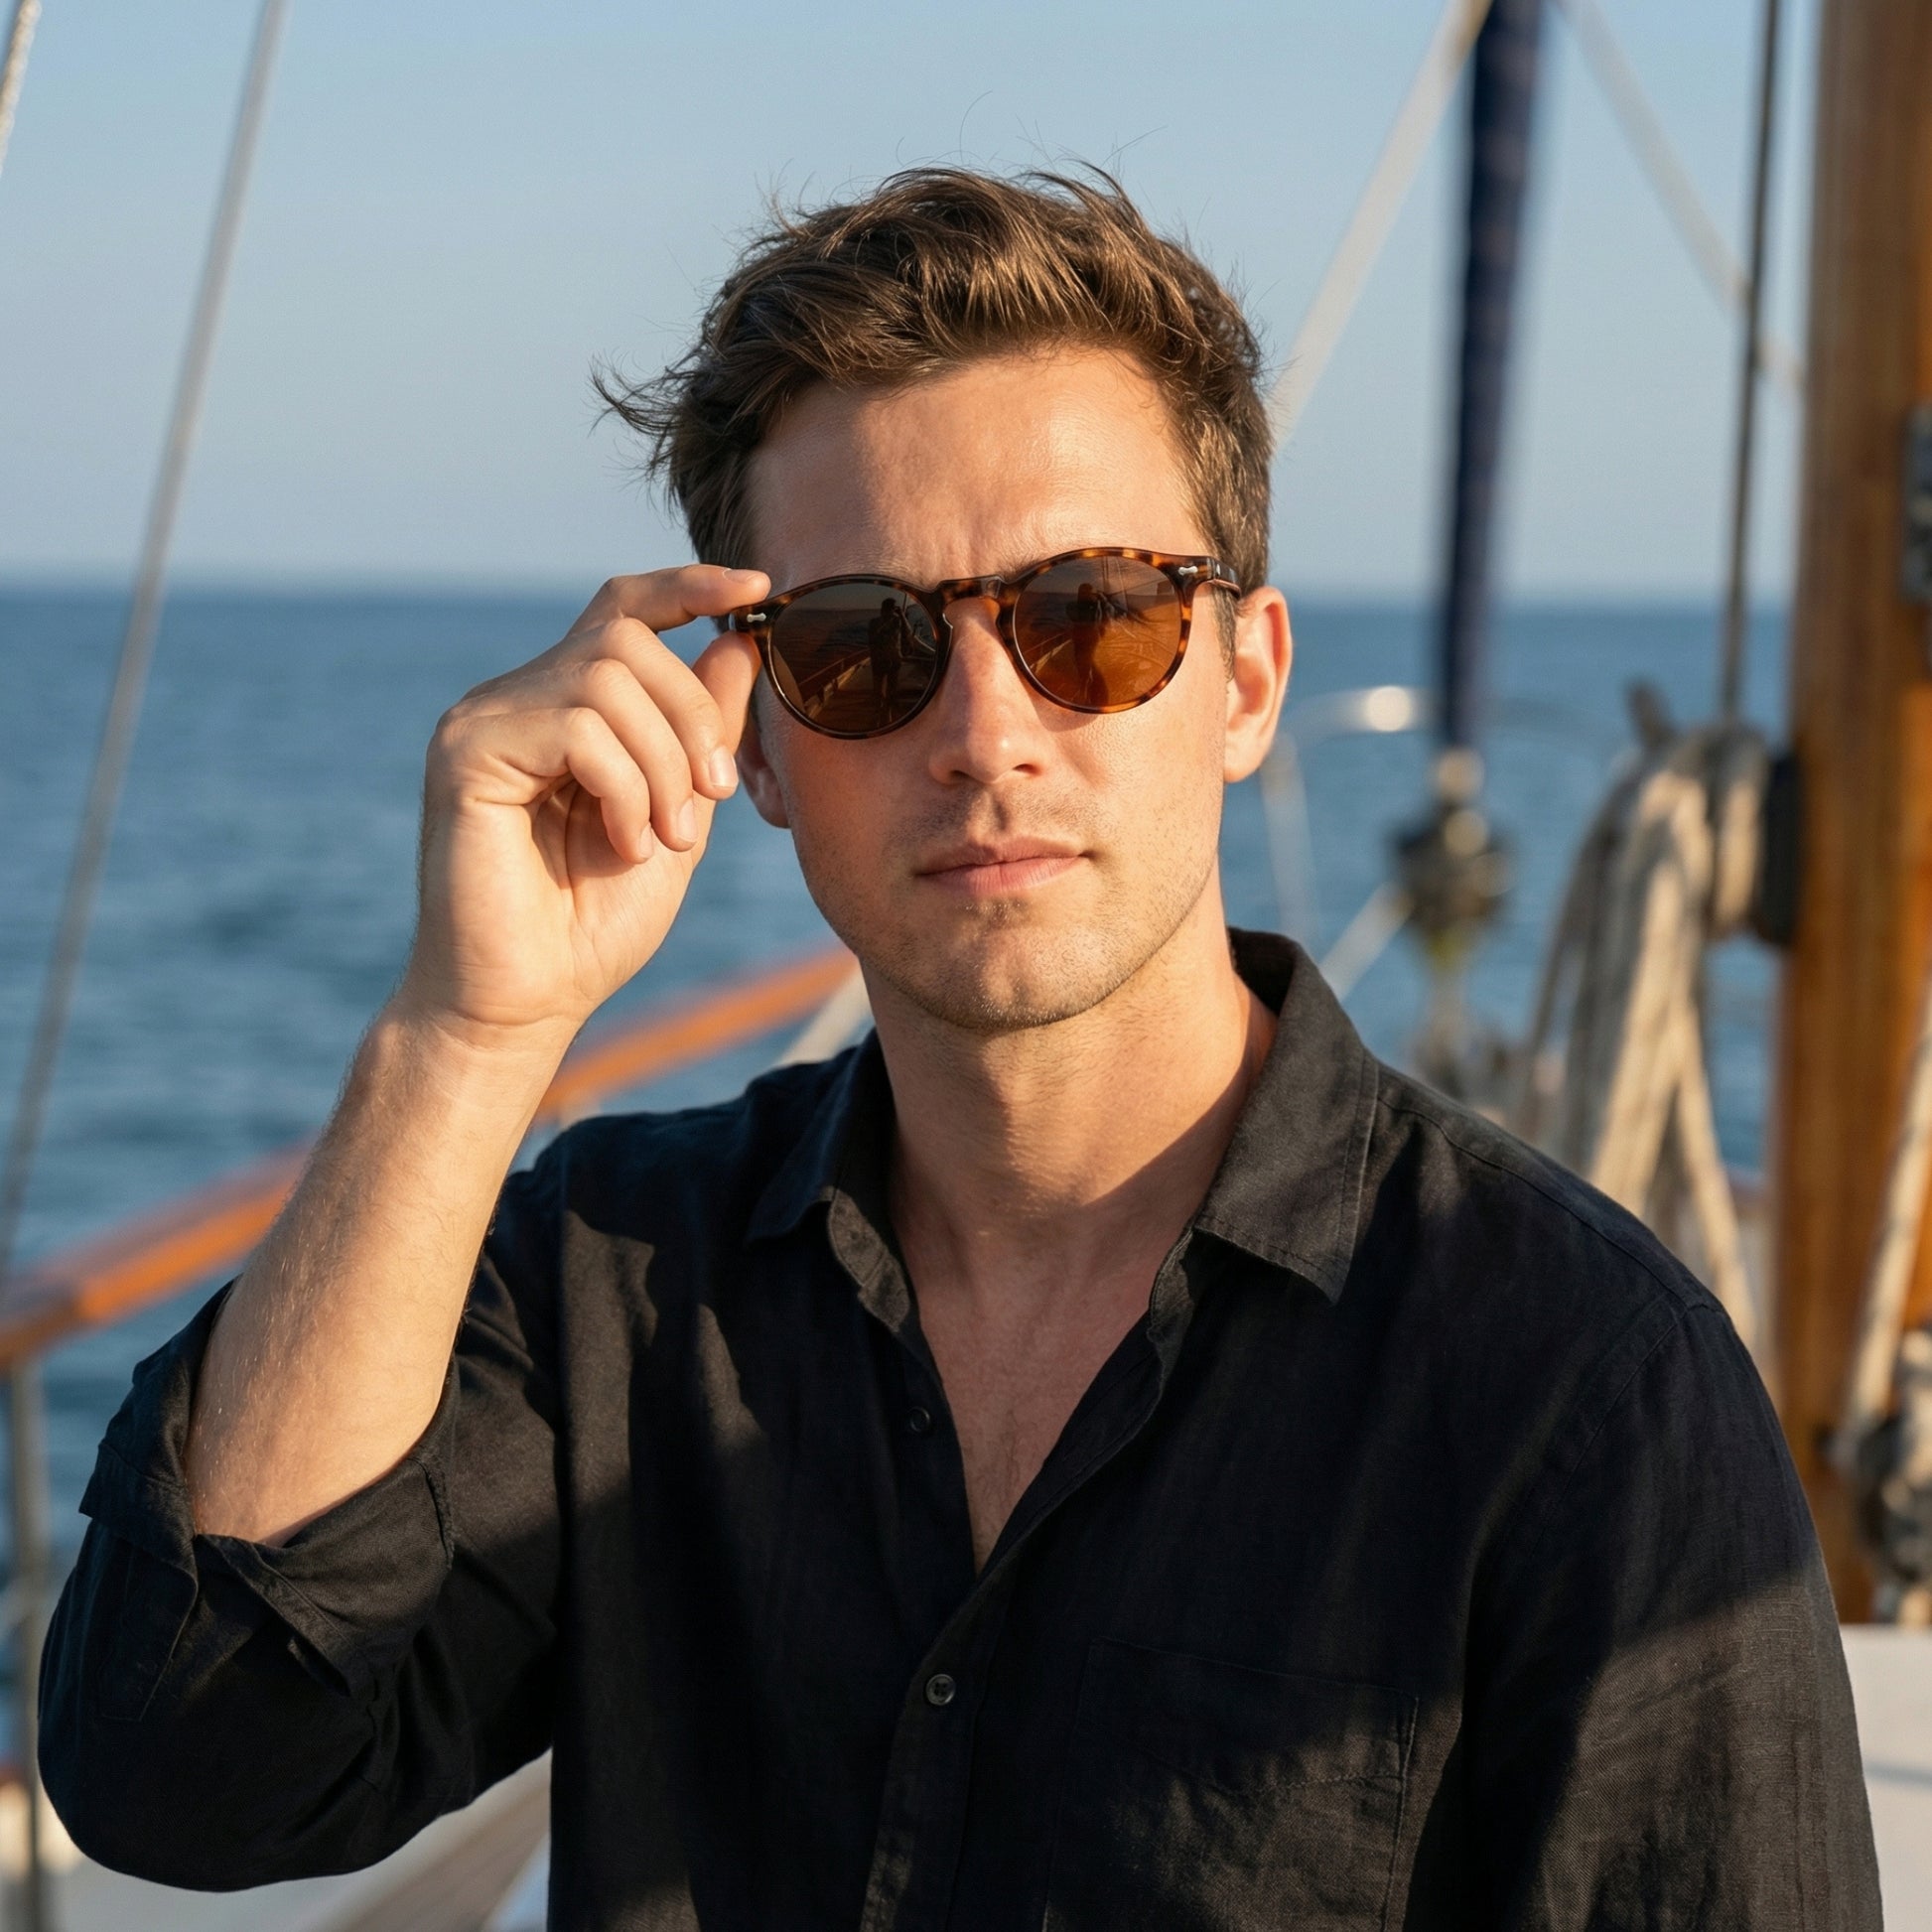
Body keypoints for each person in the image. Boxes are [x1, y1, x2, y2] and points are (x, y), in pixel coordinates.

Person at [42, 168, 1879, 1931]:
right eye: (862, 648)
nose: (986, 731)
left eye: (1095, 618)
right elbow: (188, 1771)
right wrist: (466, 1030)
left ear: (1242, 680)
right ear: (753, 747)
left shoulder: (1575, 1385)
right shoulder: (617, 1281)